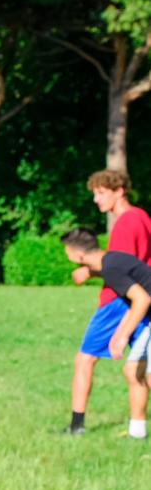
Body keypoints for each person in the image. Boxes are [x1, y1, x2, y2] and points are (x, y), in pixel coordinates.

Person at [66, 169, 151, 436]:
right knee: (138, 369)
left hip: (119, 301)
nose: (96, 199)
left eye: (101, 193)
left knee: (85, 360)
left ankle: (77, 426)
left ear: (119, 191)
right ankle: (137, 430)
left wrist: (88, 272)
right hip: (138, 299)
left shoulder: (126, 223)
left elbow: (121, 269)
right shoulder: (142, 216)